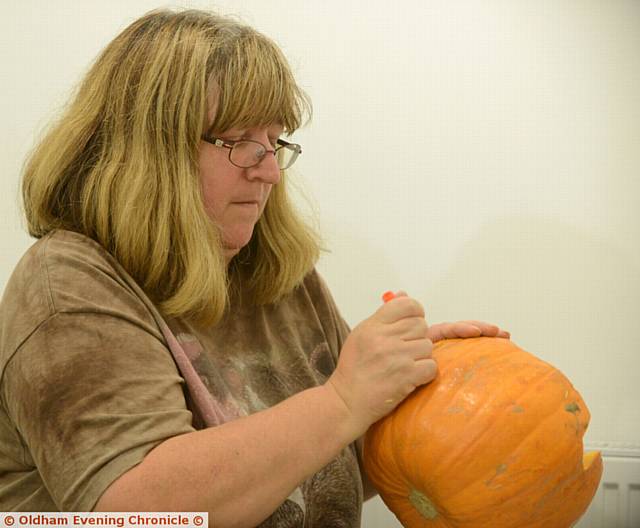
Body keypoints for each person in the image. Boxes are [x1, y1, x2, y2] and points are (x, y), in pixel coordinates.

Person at [0, 8, 509, 527]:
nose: (268, 170)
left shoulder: (276, 275)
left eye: (275, 142)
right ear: (150, 149)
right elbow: (138, 509)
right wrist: (343, 400)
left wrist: (410, 397)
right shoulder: (66, 285)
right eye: (240, 141)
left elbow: (325, 455)